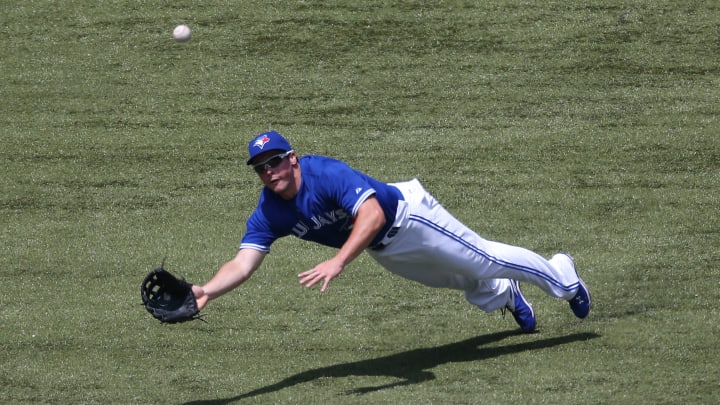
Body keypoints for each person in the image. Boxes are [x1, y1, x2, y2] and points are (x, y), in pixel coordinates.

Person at [191, 130, 591, 332]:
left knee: (484, 258)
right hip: (382, 247)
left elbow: (371, 216)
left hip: (409, 216)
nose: (269, 172)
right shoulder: (269, 212)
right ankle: (505, 293)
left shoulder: (324, 173)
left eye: (275, 161)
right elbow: (243, 264)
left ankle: (564, 276)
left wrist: (338, 261)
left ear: (292, 159)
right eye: (261, 167)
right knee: (454, 278)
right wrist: (207, 290)